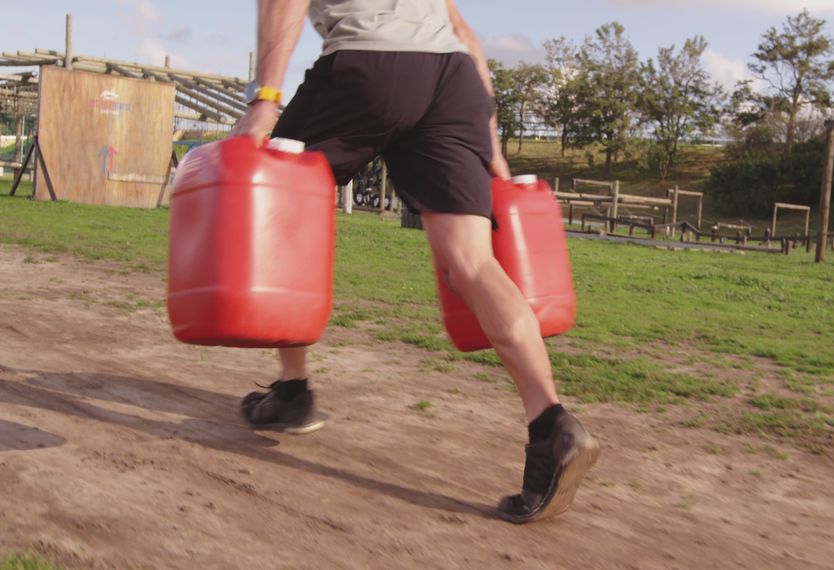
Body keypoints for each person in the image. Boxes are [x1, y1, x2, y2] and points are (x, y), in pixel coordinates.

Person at [229, 0, 599, 524]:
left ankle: (291, 392)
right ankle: (552, 423)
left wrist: (264, 96)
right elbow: (463, 31)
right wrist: (488, 138)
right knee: (471, 262)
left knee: (282, 209)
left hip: (367, 66)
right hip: (453, 79)